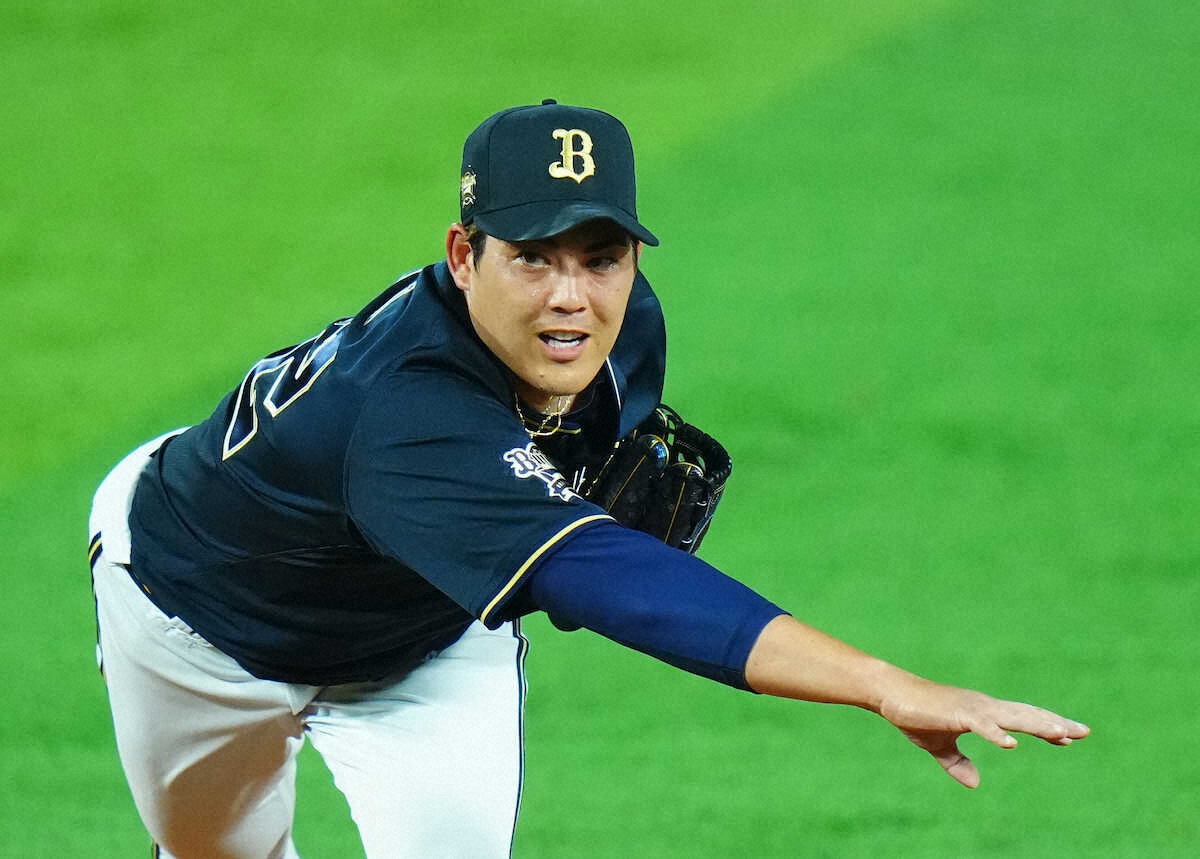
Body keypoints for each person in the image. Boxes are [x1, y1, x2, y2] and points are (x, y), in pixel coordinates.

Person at [88, 100, 1088, 859]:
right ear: (464, 256)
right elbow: (606, 576)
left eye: (602, 256)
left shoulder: (621, 328)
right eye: (532, 257)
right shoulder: (405, 414)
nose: (573, 297)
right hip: (202, 623)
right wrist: (884, 685)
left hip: (423, 631)